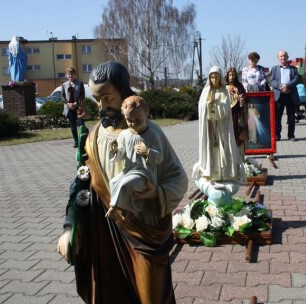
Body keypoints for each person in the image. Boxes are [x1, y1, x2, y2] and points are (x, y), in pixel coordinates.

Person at [56, 61, 188, 304]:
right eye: (96, 99)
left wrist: (155, 193)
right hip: (103, 231)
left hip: (143, 230)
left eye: (107, 98)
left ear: (124, 92)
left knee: (152, 295)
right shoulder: (93, 138)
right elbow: (81, 185)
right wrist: (69, 227)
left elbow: (178, 178)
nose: (102, 106)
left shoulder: (151, 134)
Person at [106, 96, 163, 226]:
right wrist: (115, 150)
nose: (133, 123)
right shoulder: (124, 135)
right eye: (129, 120)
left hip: (145, 174)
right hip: (129, 170)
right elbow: (120, 155)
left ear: (146, 115)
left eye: (138, 119)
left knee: (126, 184)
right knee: (114, 181)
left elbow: (160, 157)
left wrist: (147, 152)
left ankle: (114, 207)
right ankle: (126, 209)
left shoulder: (152, 135)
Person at [192, 66, 246, 206]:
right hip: (209, 129)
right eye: (212, 77)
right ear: (209, 78)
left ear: (221, 78)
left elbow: (225, 110)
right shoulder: (205, 91)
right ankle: (210, 173)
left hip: (221, 129)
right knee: (211, 151)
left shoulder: (224, 92)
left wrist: (214, 105)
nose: (214, 79)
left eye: (216, 77)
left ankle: (223, 174)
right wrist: (208, 105)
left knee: (222, 151)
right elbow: (201, 108)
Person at [270, 50, 301, 141]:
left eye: (284, 56)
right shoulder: (274, 69)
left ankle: (291, 135)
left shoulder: (294, 69)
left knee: (291, 116)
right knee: (277, 117)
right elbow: (272, 81)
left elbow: (297, 79)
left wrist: (287, 85)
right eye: (281, 56)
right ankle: (277, 135)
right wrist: (281, 87)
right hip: (279, 95)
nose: (283, 58)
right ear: (278, 58)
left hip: (290, 95)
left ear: (287, 57)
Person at [225, 67, 248, 160]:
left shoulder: (239, 86)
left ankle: (239, 157)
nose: (231, 77)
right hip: (227, 114)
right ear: (227, 76)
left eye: (233, 75)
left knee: (238, 134)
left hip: (237, 114)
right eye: (230, 75)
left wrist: (240, 98)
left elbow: (245, 97)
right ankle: (229, 158)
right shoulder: (223, 87)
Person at [61, 67, 86, 148]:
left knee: (81, 125)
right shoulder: (64, 85)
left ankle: (84, 141)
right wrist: (68, 104)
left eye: (72, 74)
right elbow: (62, 96)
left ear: (75, 75)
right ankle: (76, 141)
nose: (70, 76)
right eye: (68, 74)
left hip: (78, 107)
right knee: (73, 126)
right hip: (69, 108)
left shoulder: (80, 83)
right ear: (66, 75)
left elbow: (82, 95)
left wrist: (76, 103)